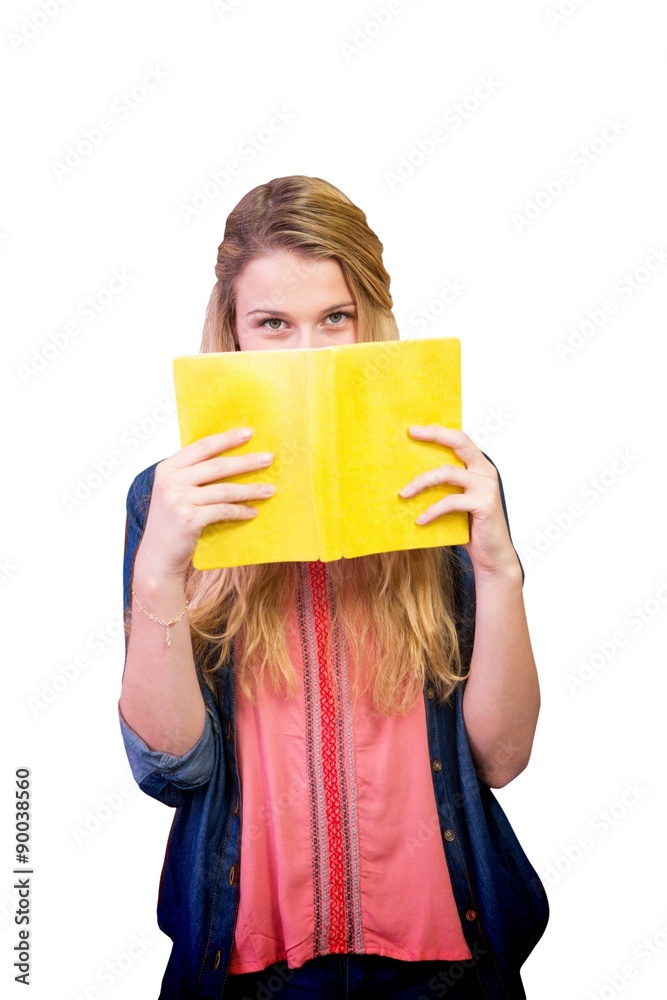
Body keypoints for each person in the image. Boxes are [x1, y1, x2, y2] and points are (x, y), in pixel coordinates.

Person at [118, 175, 548, 1000]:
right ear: (234, 337)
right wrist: (159, 571)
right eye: (273, 325)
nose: (309, 357)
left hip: (446, 966)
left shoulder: (450, 485)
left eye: (335, 319)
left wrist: (497, 567)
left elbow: (500, 758)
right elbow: (172, 770)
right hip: (249, 971)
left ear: (371, 324)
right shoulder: (164, 501)